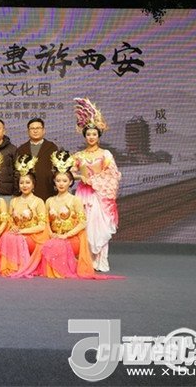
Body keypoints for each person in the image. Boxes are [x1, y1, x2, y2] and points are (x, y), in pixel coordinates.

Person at [71, 98, 122, 272]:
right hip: (83, 195)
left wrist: (94, 181)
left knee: (99, 228)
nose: (91, 137)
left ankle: (101, 261)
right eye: (88, 134)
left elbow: (113, 174)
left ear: (98, 136)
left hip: (100, 195)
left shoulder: (106, 154)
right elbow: (69, 173)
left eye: (94, 134)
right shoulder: (78, 155)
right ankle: (86, 260)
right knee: (84, 226)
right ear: (84, 136)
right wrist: (80, 177)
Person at [39, 150, 95, 278]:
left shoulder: (75, 200)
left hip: (71, 238)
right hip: (54, 237)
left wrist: (66, 236)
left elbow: (82, 223)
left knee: (56, 245)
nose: (61, 184)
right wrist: (51, 234)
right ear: (54, 182)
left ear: (70, 182)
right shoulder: (49, 201)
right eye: (58, 180)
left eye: (64, 181)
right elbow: (46, 222)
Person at [0, 154, 49, 277]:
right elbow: (10, 220)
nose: (24, 185)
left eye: (28, 182)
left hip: (34, 236)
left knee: (16, 238)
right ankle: (12, 267)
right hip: (18, 234)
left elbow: (42, 226)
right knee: (7, 236)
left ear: (33, 184)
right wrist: (13, 228)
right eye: (22, 183)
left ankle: (22, 266)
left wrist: (22, 231)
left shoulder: (38, 201)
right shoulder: (14, 201)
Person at [16, 118, 58, 201]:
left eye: (38, 128)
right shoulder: (22, 149)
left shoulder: (52, 147)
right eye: (32, 128)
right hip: (26, 191)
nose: (35, 131)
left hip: (47, 189)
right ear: (28, 131)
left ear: (44, 130)